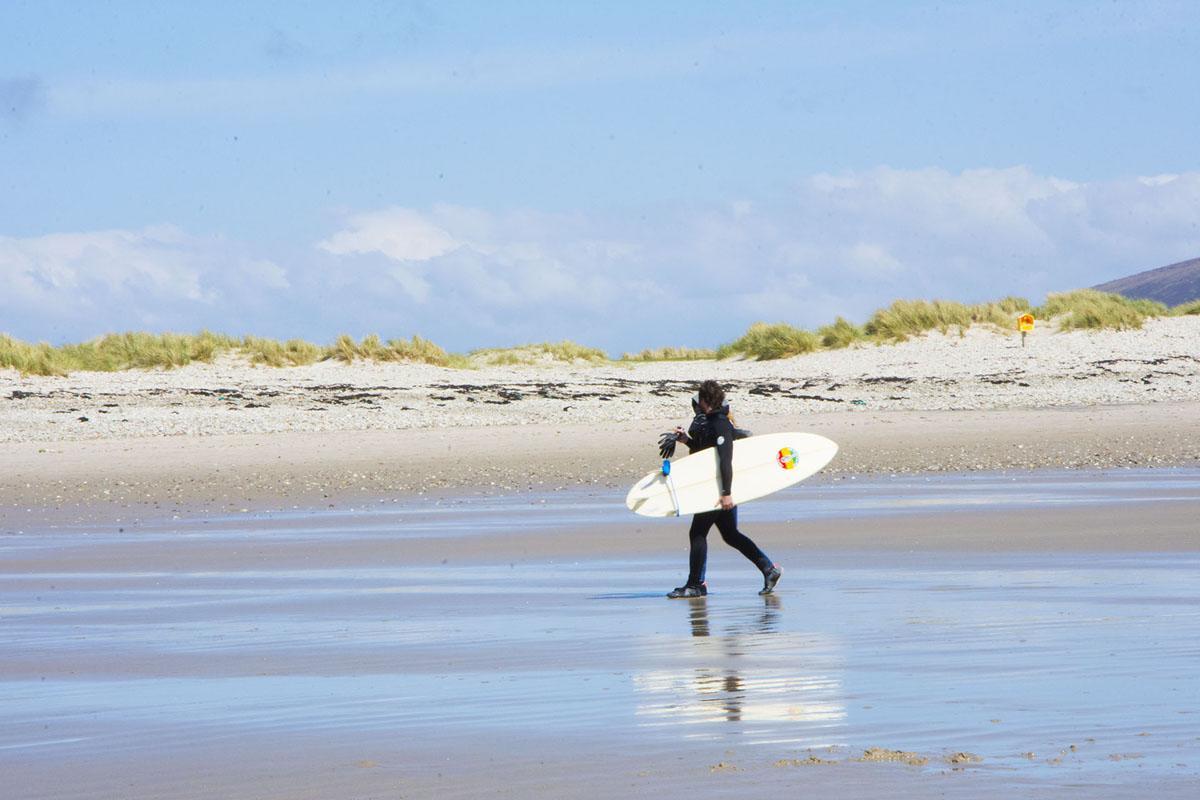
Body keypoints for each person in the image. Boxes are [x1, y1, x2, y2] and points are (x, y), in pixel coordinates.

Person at [661, 380, 782, 598]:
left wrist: (726, 493)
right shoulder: (710, 422)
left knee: (698, 532)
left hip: (717, 490)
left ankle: (696, 584)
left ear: (705, 400)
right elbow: (705, 453)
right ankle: (769, 569)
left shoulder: (721, 424)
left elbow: (725, 459)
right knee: (730, 534)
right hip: (717, 487)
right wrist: (686, 440)